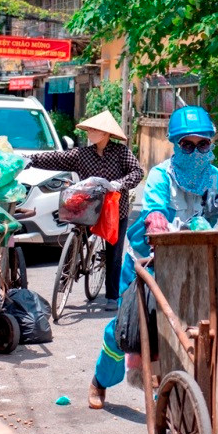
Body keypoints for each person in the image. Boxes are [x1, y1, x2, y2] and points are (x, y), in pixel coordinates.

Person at [88, 105, 218, 409]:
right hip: (151, 264)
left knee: (193, 332)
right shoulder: (161, 177)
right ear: (175, 145)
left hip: (199, 267)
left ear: (211, 144)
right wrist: (156, 219)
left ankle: (168, 403)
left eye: (202, 144)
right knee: (127, 330)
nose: (195, 152)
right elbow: (155, 208)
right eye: (187, 145)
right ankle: (100, 381)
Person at [28, 110, 144, 311]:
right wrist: (32, 159)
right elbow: (57, 159)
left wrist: (119, 183)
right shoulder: (82, 154)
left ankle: (111, 296)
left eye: (94, 129)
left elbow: (138, 172)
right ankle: (63, 283)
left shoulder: (121, 153)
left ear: (106, 133)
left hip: (115, 210)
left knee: (114, 253)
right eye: (89, 129)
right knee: (73, 241)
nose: (90, 132)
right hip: (87, 208)